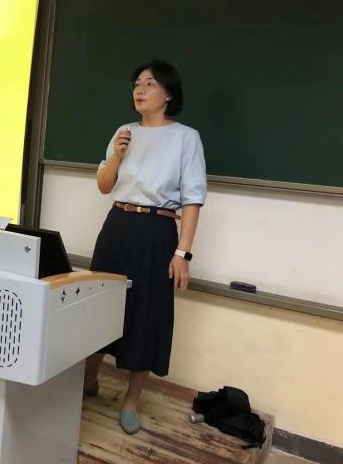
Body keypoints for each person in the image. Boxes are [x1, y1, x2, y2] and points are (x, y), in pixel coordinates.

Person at [83, 59, 207, 435]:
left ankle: (132, 399)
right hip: (118, 225)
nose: (140, 89)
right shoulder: (124, 132)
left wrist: (182, 253)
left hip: (156, 230)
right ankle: (88, 381)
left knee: (147, 314)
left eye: (149, 83)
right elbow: (104, 185)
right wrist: (117, 155)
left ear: (168, 93)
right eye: (137, 83)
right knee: (99, 306)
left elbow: (192, 199)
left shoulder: (186, 138)